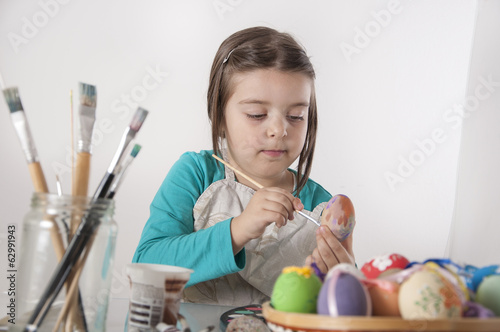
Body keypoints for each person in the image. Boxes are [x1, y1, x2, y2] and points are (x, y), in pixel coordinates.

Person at [132, 26, 355, 306]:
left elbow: (339, 311)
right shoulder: (195, 174)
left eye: (296, 116)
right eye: (257, 114)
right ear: (220, 115)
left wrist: (344, 277)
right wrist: (237, 230)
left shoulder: (320, 206)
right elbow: (145, 268)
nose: (278, 129)